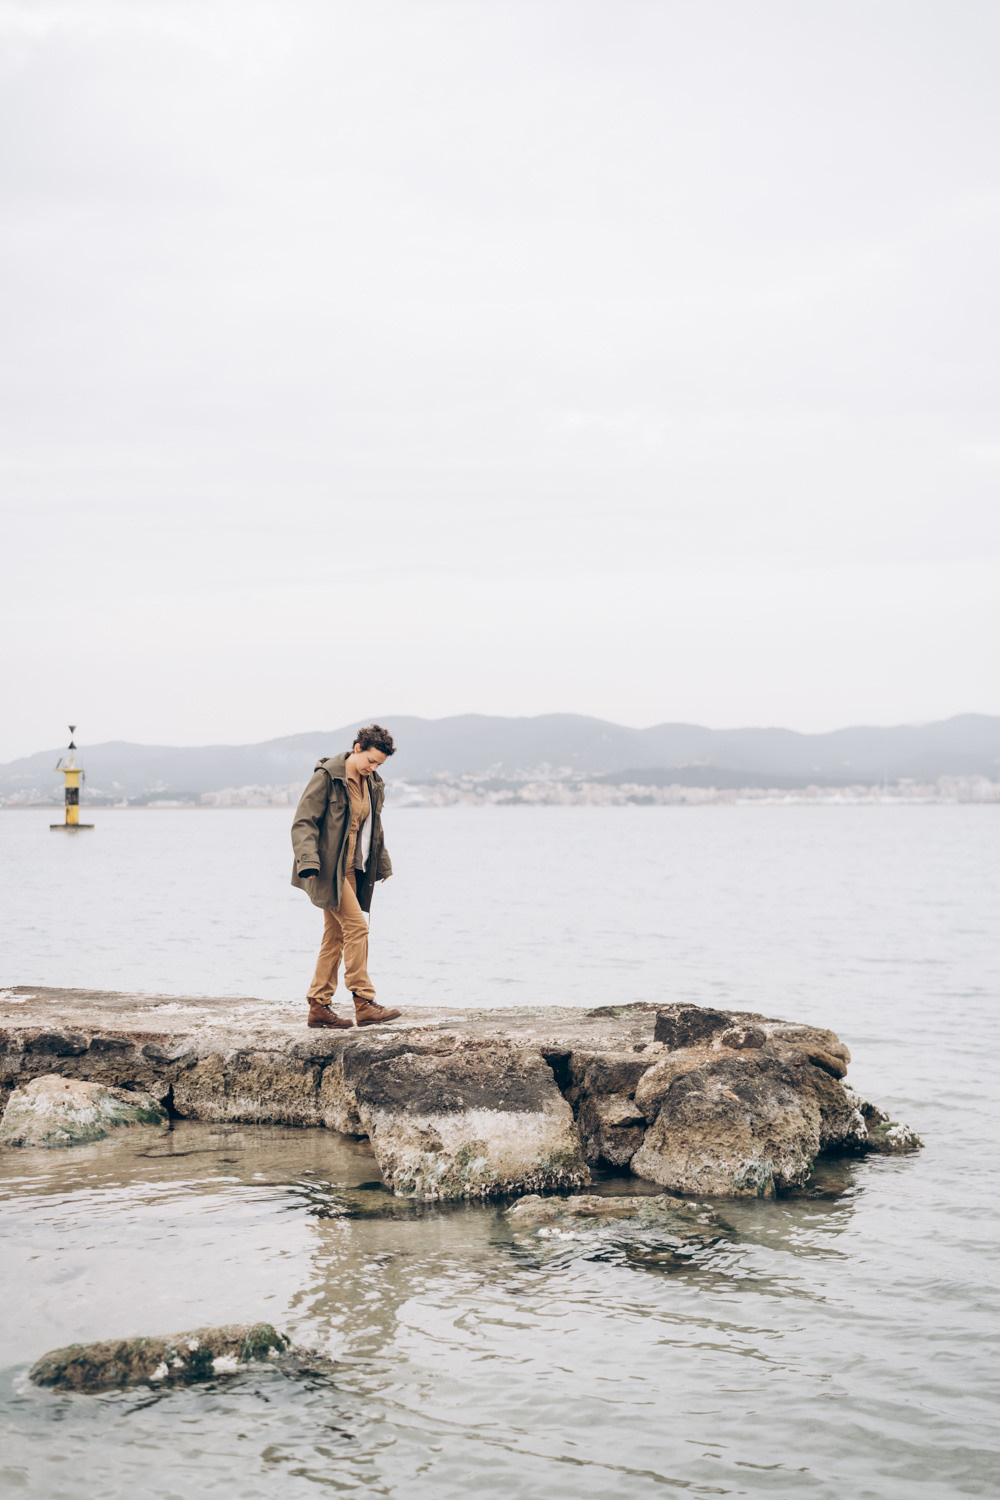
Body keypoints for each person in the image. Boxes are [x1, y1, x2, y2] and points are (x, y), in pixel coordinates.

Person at [290, 724, 402, 1029]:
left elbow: (373, 828)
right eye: (370, 760)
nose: (373, 767)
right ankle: (363, 1002)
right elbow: (303, 823)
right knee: (357, 928)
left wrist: (383, 864)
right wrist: (308, 861)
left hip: (353, 868)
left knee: (335, 936)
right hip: (327, 869)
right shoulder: (327, 777)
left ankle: (318, 1006)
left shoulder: (372, 783)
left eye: (379, 763)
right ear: (357, 748)